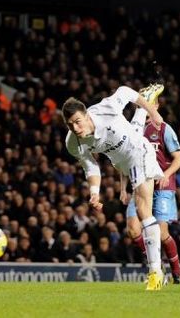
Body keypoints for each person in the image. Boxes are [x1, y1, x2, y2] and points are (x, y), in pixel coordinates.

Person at [62, 84, 166, 291]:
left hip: (139, 154)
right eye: (69, 124)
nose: (75, 128)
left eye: (77, 121)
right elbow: (91, 166)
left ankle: (156, 272)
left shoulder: (106, 109)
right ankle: (141, 109)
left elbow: (125, 91)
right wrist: (94, 192)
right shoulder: (73, 142)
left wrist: (153, 113)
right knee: (130, 130)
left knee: (143, 210)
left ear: (87, 115)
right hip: (121, 160)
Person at [123, 84, 180, 283]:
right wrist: (122, 187)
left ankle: (177, 272)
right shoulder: (132, 129)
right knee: (133, 230)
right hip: (140, 185)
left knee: (161, 232)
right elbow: (125, 158)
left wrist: (166, 174)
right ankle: (156, 268)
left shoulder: (164, 129)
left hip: (162, 188)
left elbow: (179, 159)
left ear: (156, 106)